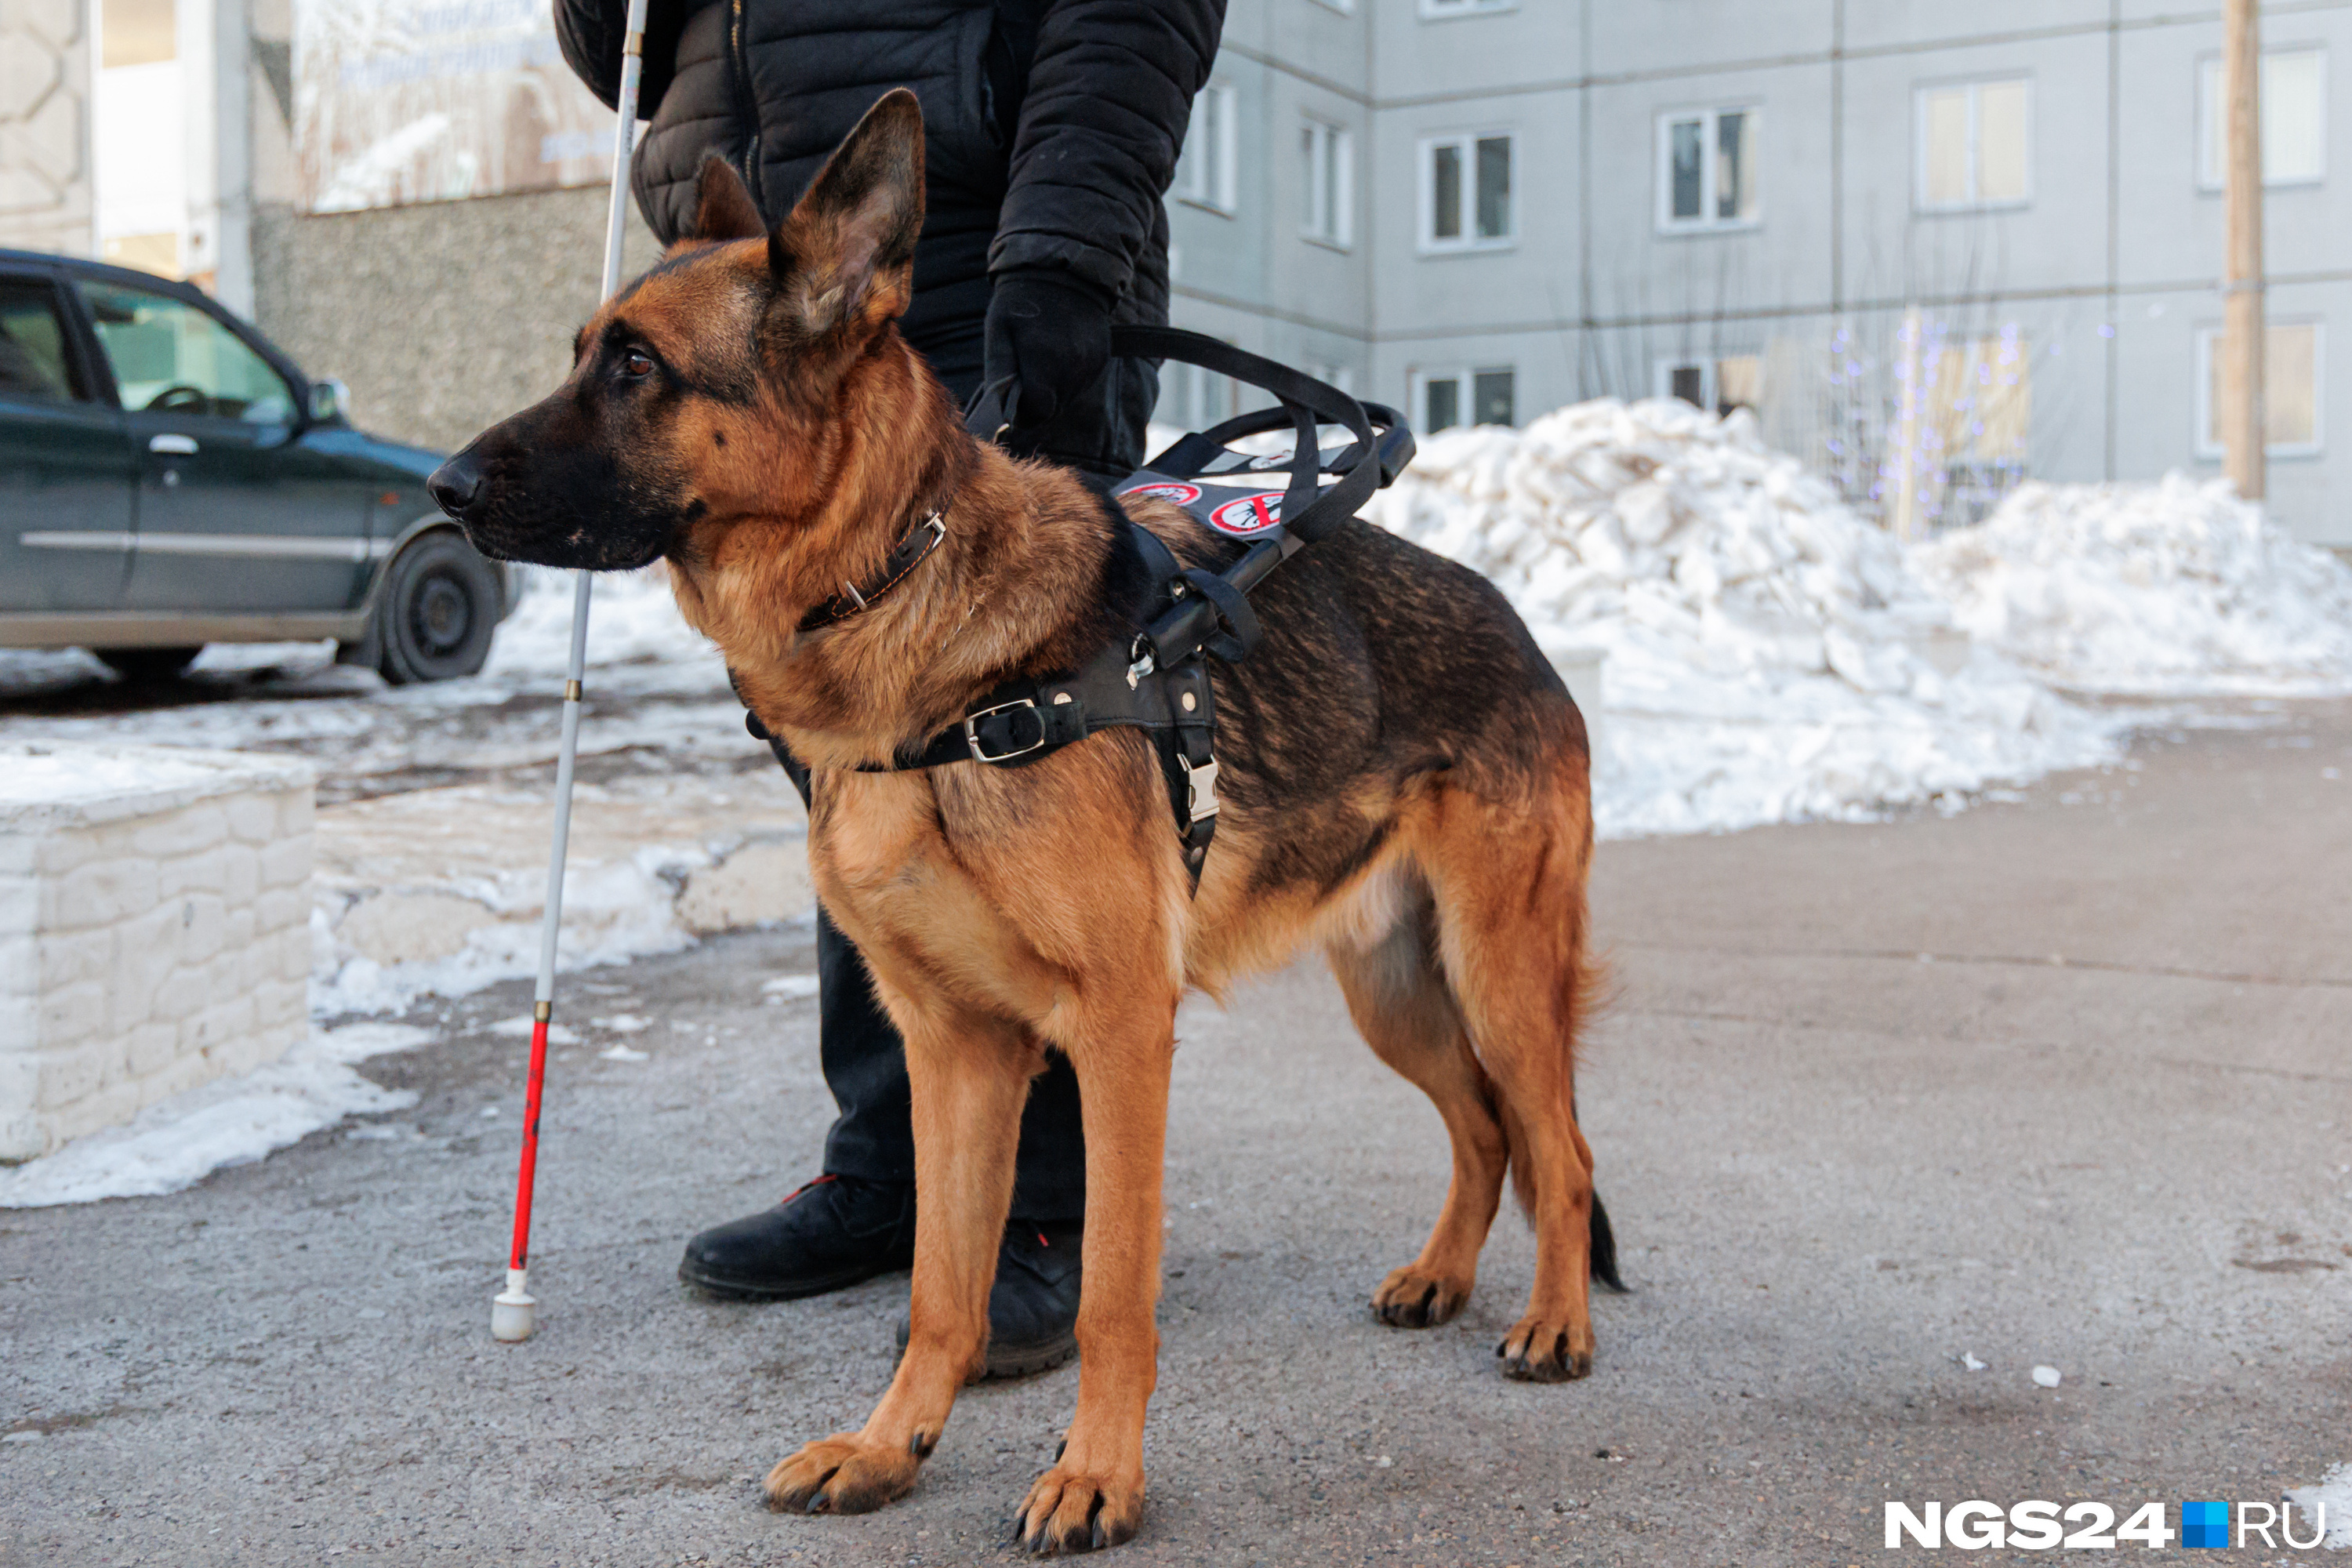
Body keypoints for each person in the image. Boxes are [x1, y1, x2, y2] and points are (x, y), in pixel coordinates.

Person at [556, 0, 1225, 1377]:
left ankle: (1044, 1214)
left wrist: (1065, 253)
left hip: (976, 255)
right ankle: (891, 1169)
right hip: (739, 260)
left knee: (1035, 792)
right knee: (860, 780)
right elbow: (611, 46)